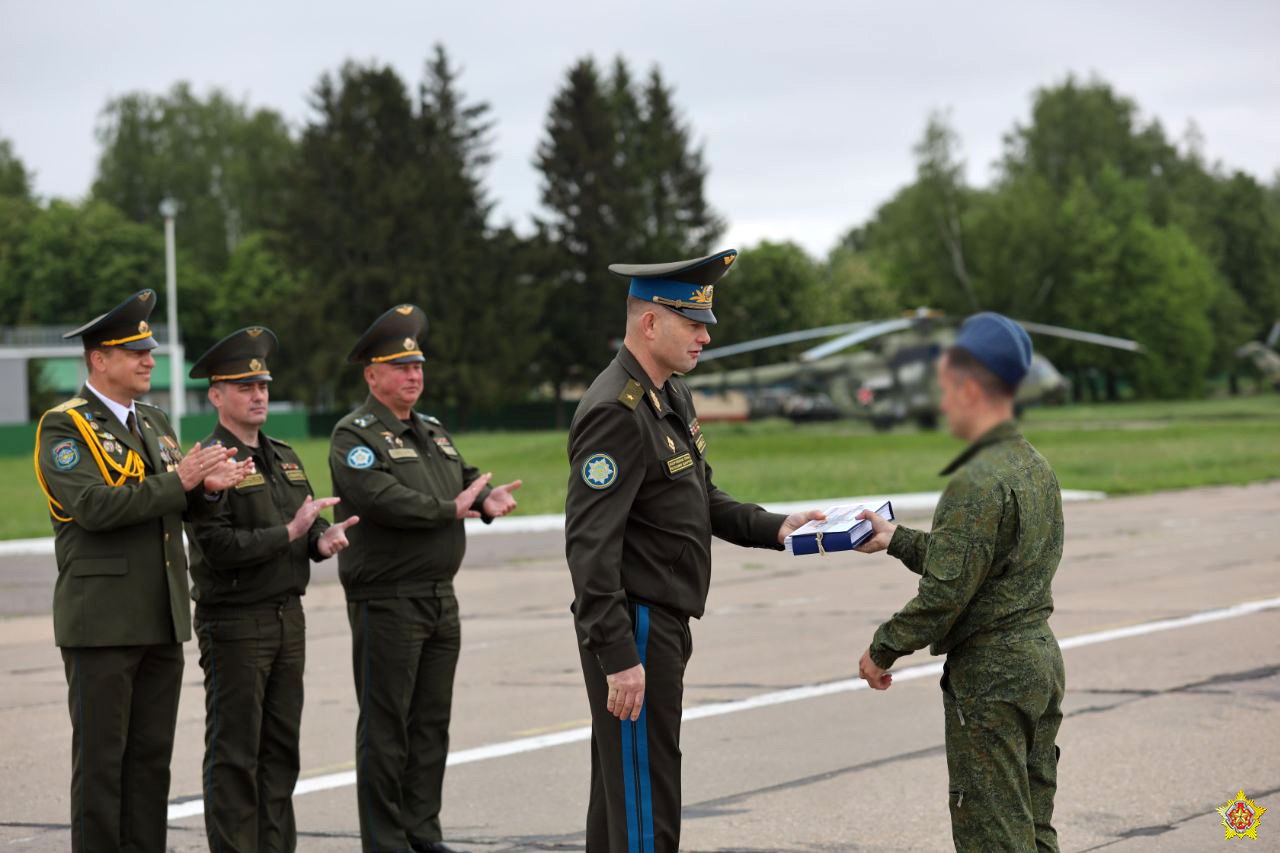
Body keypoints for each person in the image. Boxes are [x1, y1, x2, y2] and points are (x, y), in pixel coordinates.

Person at [564, 249, 824, 851]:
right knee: (644, 808)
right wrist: (618, 654)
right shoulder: (615, 411)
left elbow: (700, 497)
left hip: (662, 623)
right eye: (692, 322)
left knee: (626, 797)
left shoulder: (670, 396)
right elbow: (589, 546)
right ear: (650, 322)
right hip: (635, 625)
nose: (705, 336)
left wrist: (777, 526)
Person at [33, 289, 251, 852]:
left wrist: (207, 490)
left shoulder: (154, 421)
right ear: (99, 359)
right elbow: (94, 507)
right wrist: (181, 482)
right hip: (103, 621)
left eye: (149, 351)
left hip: (161, 613)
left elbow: (175, 504)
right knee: (102, 767)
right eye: (135, 352)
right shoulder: (65, 426)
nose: (149, 360)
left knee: (151, 763)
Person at [854, 312, 1067, 852]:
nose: (941, 402)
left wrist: (883, 648)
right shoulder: (1033, 466)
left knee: (994, 837)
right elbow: (979, 562)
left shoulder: (976, 480)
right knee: (1034, 830)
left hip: (993, 678)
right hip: (1038, 664)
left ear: (972, 389)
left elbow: (947, 592)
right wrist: (896, 538)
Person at [328, 304, 522, 853]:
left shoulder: (432, 431)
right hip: (387, 598)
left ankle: (422, 831)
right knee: (387, 727)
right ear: (372, 376)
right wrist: (449, 509)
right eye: (400, 367)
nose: (413, 376)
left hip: (439, 596)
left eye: (417, 367)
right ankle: (386, 841)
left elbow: (464, 480)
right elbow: (380, 498)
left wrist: (486, 499)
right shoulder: (355, 435)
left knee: (431, 724)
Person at [185, 326, 360, 851]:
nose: (258, 395)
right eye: (245, 387)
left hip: (287, 616)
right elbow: (218, 546)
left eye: (262, 386)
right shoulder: (209, 463)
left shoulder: (283, 455)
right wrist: (288, 533)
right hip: (236, 622)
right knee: (235, 754)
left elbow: (301, 524)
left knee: (281, 751)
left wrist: (318, 541)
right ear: (216, 396)